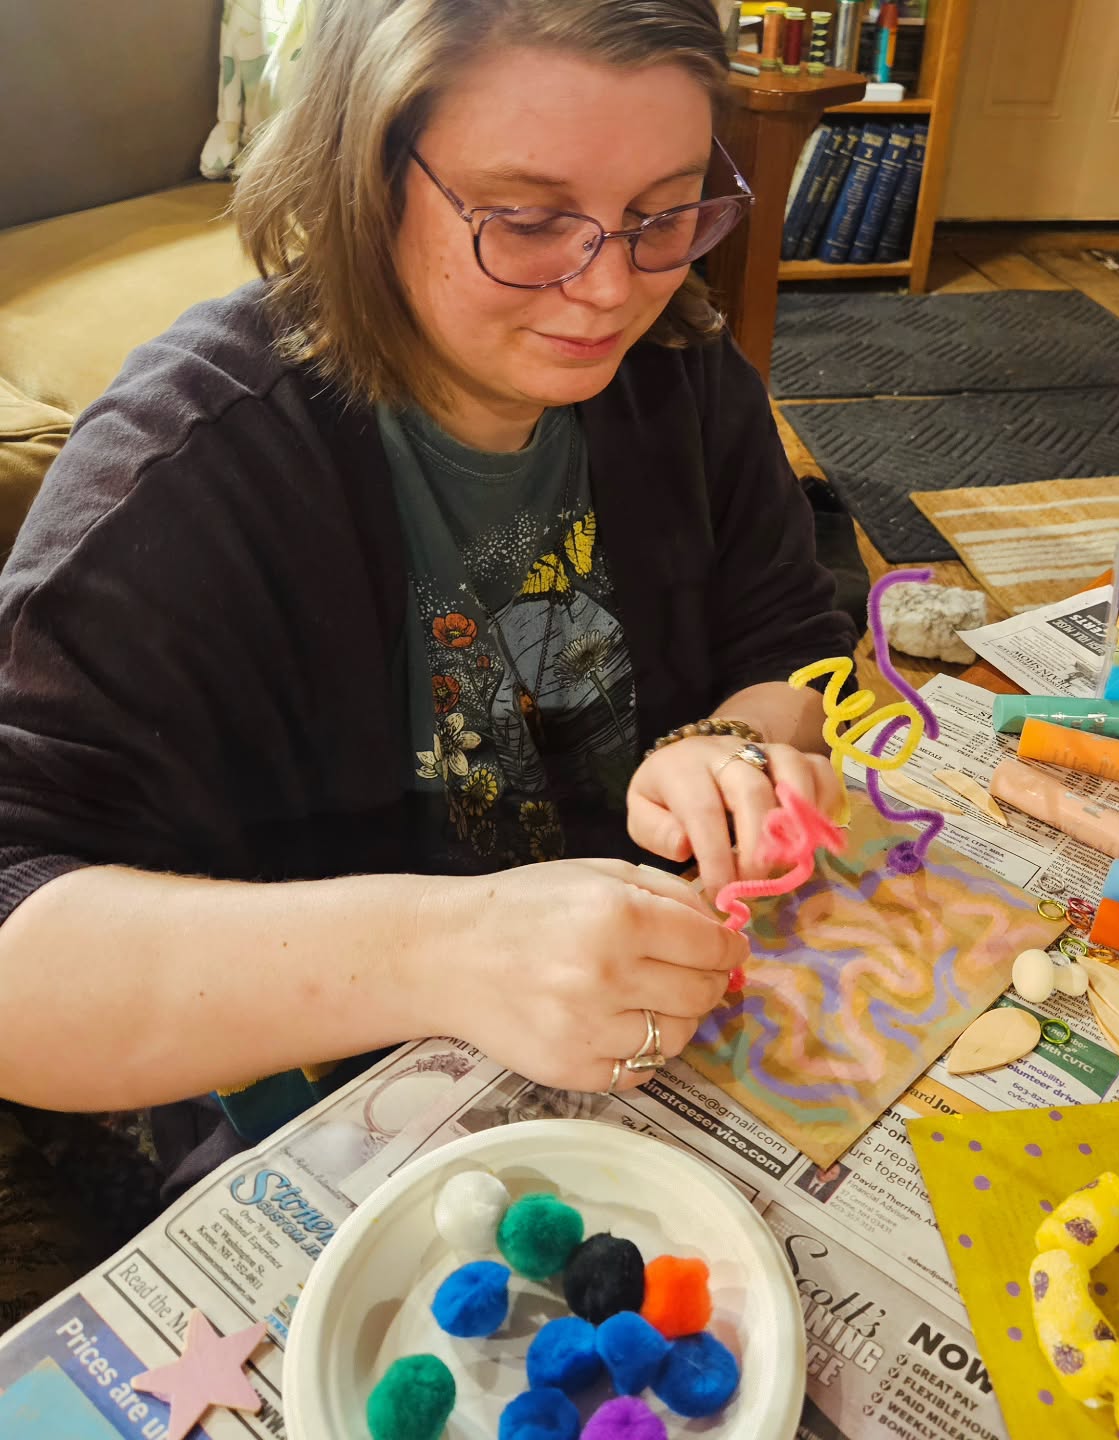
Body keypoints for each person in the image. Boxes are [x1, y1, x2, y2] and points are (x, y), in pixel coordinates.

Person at [0, 0, 855, 1194]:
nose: (611, 289)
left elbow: (791, 627)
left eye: (662, 212)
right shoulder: (185, 472)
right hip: (327, 1104)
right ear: (364, 177)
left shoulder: (683, 371)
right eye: (530, 219)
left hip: (662, 1032)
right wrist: (444, 953)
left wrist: (737, 744)